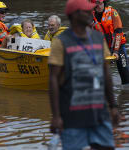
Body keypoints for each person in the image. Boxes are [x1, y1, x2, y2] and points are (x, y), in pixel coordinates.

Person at [48, 0, 121, 149]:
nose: (91, 13)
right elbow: (53, 79)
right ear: (74, 15)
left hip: (99, 112)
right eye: (86, 11)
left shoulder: (98, 38)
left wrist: (113, 106)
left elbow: (106, 73)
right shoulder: (60, 42)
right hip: (72, 116)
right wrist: (55, 116)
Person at [91, 0, 129, 84]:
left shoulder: (112, 12)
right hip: (103, 47)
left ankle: (125, 93)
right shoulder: (90, 16)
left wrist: (115, 51)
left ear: (103, 2)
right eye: (96, 3)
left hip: (119, 46)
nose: (98, 6)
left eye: (100, 3)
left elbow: (118, 33)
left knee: (124, 71)